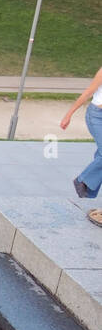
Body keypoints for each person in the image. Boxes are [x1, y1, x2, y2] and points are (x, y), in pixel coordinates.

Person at [60, 65, 102, 220]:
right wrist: (68, 115)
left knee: (101, 156)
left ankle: (89, 194)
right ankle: (82, 180)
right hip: (97, 116)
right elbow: (87, 93)